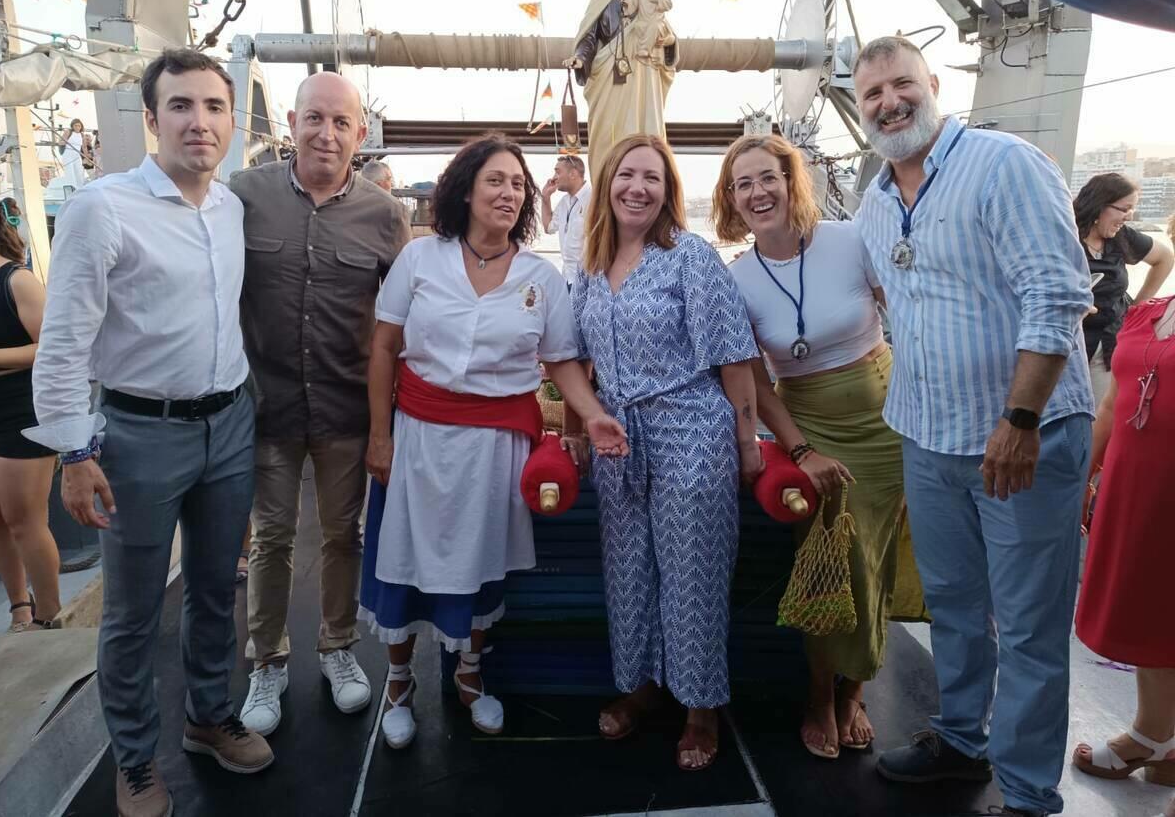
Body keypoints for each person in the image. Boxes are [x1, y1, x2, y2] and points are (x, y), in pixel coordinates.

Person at [23, 48, 274, 817]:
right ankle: (135, 759)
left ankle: (207, 717)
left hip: (228, 423)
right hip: (137, 435)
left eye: (213, 107)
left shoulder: (229, 208)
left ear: (231, 122)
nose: (199, 122)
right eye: (181, 106)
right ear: (151, 119)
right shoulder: (104, 208)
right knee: (132, 613)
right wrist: (74, 452)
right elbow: (63, 343)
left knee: (210, 587)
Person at [852, 36, 1093, 817]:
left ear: (933, 84)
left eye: (900, 84)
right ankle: (962, 742)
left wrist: (1019, 419)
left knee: (1026, 627)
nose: (889, 102)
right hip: (929, 437)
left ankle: (1025, 796)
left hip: (1023, 440)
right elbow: (899, 303)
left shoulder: (1004, 165)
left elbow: (1057, 297)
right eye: (872, 95)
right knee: (953, 603)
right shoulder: (876, 203)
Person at [361, 134, 627, 749]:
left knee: (481, 566)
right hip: (420, 437)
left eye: (517, 184)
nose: (508, 193)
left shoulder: (541, 277)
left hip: (496, 446)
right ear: (466, 188)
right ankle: (398, 683)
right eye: (495, 181)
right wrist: (380, 436)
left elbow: (562, 362)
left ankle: (472, 677)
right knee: (404, 562)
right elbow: (383, 348)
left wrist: (590, 417)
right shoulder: (420, 259)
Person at [713, 134, 926, 760]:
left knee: (880, 558)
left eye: (768, 178)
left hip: (887, 416)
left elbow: (909, 316)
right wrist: (801, 450)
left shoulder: (847, 240)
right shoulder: (738, 279)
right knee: (831, 563)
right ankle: (817, 695)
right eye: (743, 184)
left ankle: (854, 693)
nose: (758, 193)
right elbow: (755, 381)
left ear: (790, 180)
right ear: (730, 198)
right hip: (809, 421)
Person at [569, 133, 760, 772]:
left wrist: (746, 443)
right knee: (626, 572)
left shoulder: (690, 258)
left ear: (668, 191)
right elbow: (575, 359)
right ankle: (641, 687)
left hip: (691, 436)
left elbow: (735, 359)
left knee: (694, 577)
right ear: (608, 182)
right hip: (619, 442)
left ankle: (701, 709)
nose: (638, 188)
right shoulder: (591, 265)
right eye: (628, 175)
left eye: (652, 178)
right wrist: (579, 427)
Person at [231, 71, 411, 737]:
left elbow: (405, 323)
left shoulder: (386, 216)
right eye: (315, 119)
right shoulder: (242, 198)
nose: (326, 134)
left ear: (360, 133)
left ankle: (337, 648)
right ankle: (267, 661)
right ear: (291, 121)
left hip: (346, 407)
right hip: (267, 404)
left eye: (341, 122)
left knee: (344, 536)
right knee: (272, 538)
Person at [1071, 294, 1175, 817]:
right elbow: (1114, 400)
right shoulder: (1149, 311)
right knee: (1147, 618)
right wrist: (1083, 475)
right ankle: (1156, 738)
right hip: (1136, 488)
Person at [0, 191, 61, 632]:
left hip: (19, 408)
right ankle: (18, 608)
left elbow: (49, 346)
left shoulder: (16, 281)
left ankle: (49, 615)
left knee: (24, 519)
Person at [563, 0, 678, 184]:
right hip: (608, 72)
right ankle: (608, 186)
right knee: (606, 134)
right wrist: (581, 58)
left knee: (644, 129)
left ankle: (646, 182)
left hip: (644, 71)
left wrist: (668, 42)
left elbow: (663, 28)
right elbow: (591, 35)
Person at [1076, 172, 1173, 403]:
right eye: (1124, 208)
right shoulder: (1066, 236)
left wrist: (1138, 308)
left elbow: (1165, 258)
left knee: (1099, 414)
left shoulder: (1121, 236)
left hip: (1108, 344)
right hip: (1069, 345)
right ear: (1099, 204)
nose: (1128, 216)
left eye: (1132, 210)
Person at [540, 154, 591, 286]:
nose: (554, 177)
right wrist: (545, 197)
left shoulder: (593, 199)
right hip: (568, 277)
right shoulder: (564, 202)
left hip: (588, 279)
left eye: (558, 172)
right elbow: (549, 227)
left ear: (573, 174)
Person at [622, 0, 673, 66]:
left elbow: (669, 4)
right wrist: (625, 5)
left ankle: (644, 50)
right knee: (637, 26)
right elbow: (632, 2)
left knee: (654, 27)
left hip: (658, 22)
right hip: (643, 21)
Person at [57, 119, 91, 191]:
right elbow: (60, 142)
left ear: (81, 126)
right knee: (70, 171)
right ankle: (72, 188)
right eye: (75, 125)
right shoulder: (68, 132)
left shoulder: (82, 134)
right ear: (72, 126)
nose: (77, 127)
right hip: (68, 153)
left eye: (79, 126)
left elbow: (84, 146)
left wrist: (86, 156)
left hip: (77, 154)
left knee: (79, 171)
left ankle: (80, 188)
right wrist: (65, 142)